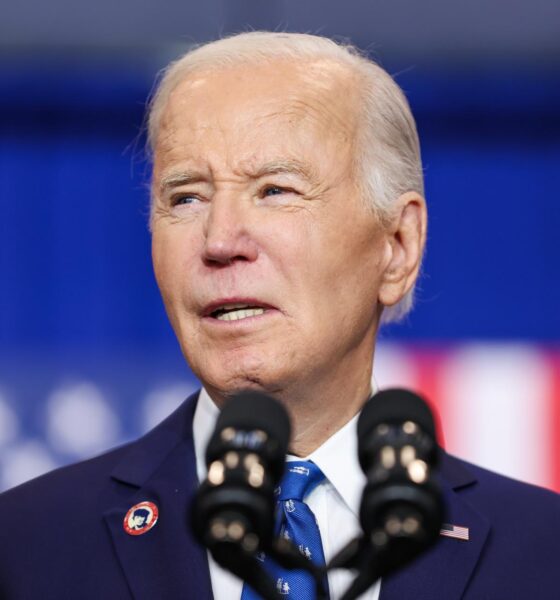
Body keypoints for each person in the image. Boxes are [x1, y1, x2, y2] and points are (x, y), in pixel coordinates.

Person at [0, 31, 559, 600]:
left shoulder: (543, 553)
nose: (219, 240)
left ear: (397, 246)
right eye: (186, 198)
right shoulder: (24, 547)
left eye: (275, 190)